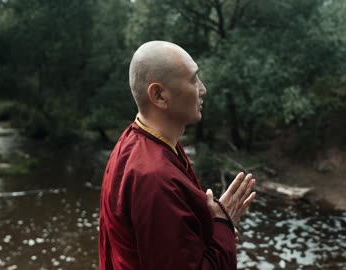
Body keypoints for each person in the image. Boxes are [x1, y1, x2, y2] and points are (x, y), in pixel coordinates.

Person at [98, 40, 256, 270]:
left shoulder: (138, 141)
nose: (203, 89)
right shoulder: (154, 177)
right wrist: (223, 224)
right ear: (159, 95)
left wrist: (211, 226)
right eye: (193, 80)